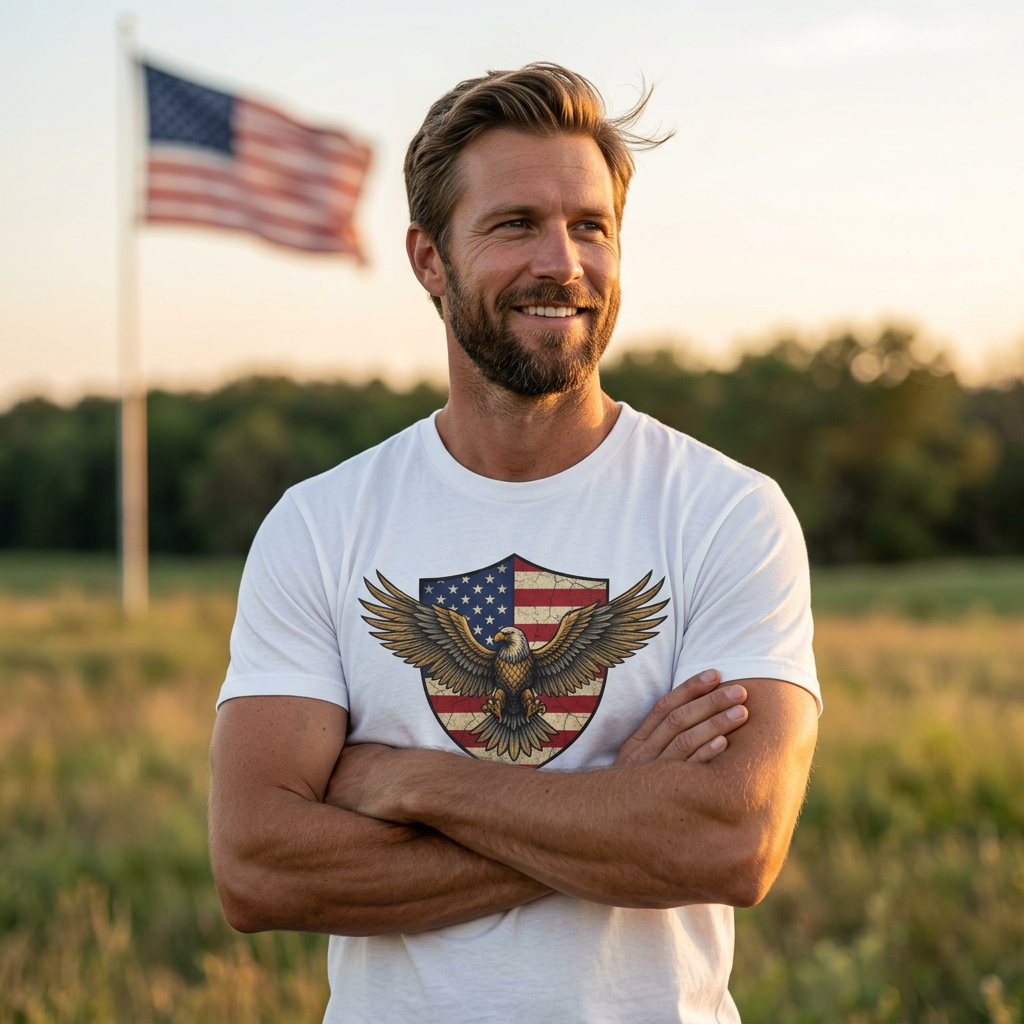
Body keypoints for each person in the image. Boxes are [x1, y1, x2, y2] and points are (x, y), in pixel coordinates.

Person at [209, 63, 820, 1024]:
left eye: (591, 226)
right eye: (514, 224)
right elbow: (256, 867)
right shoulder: (322, 524)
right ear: (428, 260)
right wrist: (619, 811)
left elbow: (731, 845)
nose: (563, 263)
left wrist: (413, 780)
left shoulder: (727, 513)